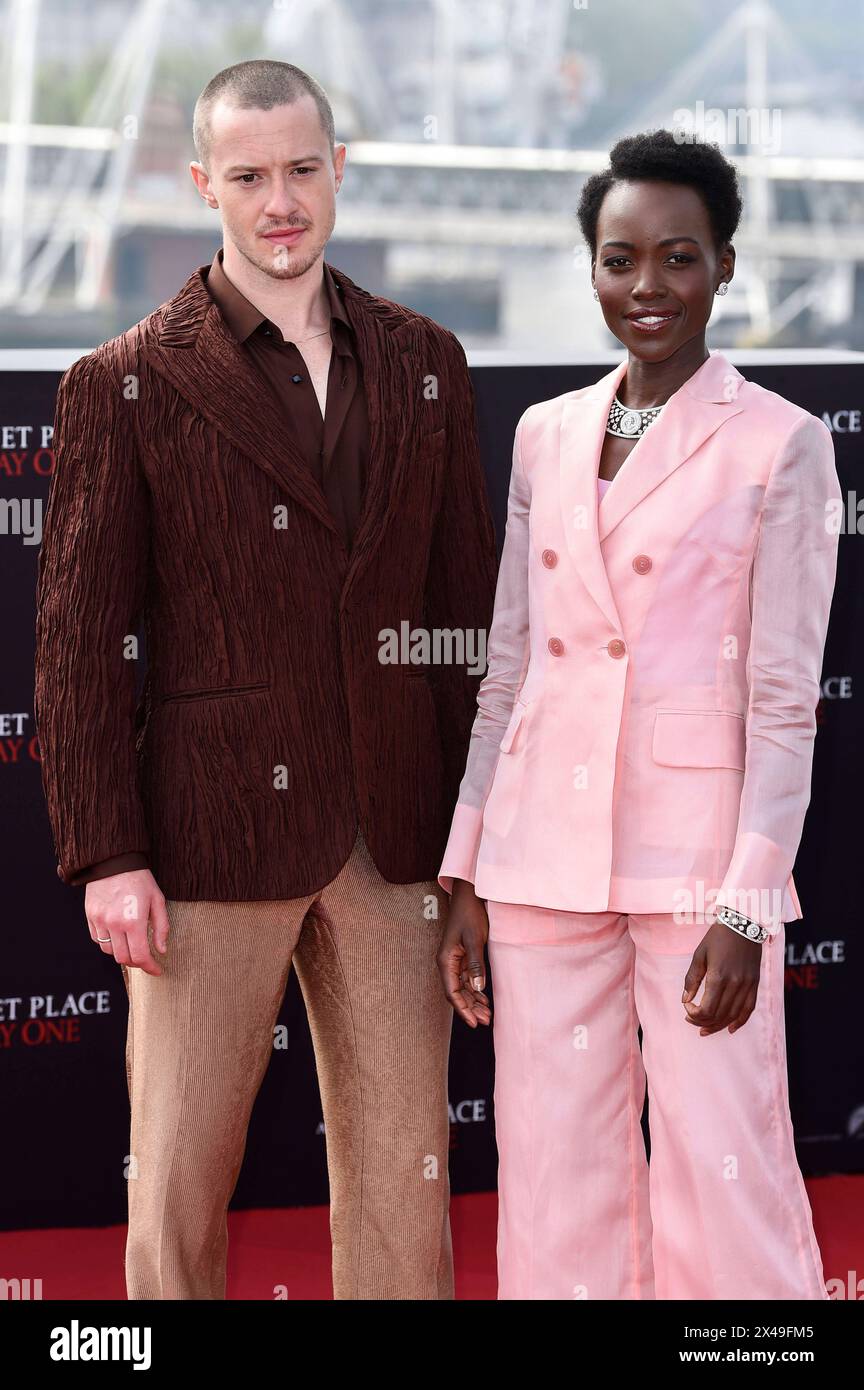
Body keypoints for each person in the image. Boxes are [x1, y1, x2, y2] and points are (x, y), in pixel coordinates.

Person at [34, 59, 498, 1301]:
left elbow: (465, 624)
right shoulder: (120, 383)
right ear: (204, 186)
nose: (279, 199)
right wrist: (106, 852)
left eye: (301, 169)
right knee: (178, 1175)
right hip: (205, 835)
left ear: (339, 169)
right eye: (248, 176)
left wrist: (475, 852)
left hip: (398, 835)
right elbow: (79, 643)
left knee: (408, 1177)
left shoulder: (430, 364)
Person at [437, 129, 840, 1300]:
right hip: (538, 856)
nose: (647, 287)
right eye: (621, 260)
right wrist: (467, 865)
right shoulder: (544, 432)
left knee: (731, 1163)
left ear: (723, 264)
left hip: (696, 863)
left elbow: (783, 701)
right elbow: (508, 667)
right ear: (593, 268)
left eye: (677, 257)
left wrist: (751, 902)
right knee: (555, 1163)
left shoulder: (782, 444)